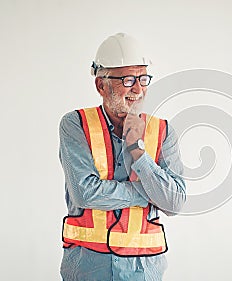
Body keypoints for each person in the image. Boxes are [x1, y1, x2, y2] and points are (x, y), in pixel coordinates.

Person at [59, 33, 186, 281]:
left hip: (143, 271)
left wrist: (137, 150)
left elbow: (175, 202)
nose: (138, 89)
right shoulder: (76, 124)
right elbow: (85, 193)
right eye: (128, 80)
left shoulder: (163, 132)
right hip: (86, 269)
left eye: (143, 78)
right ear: (101, 86)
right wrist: (146, 192)